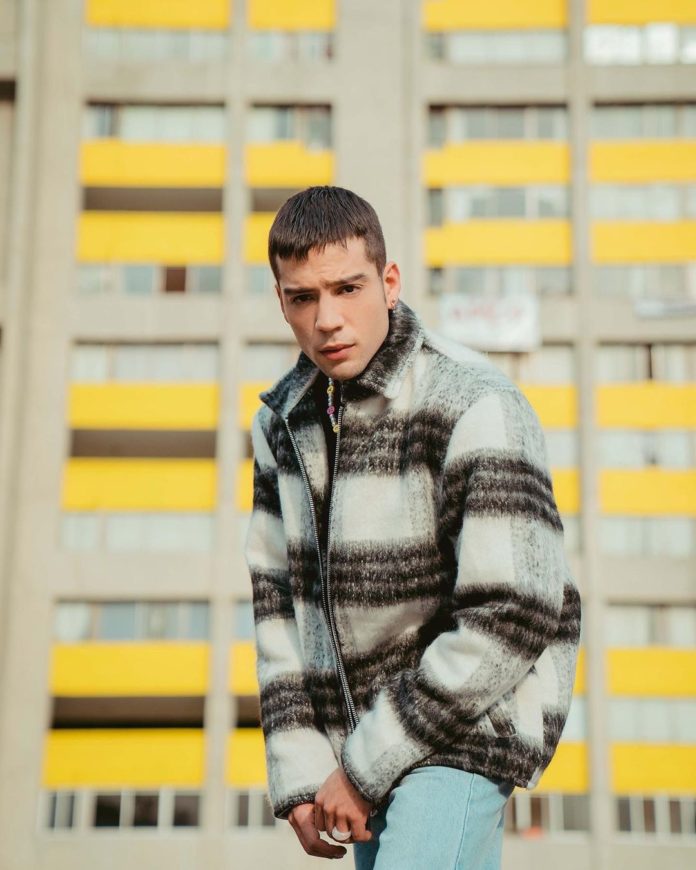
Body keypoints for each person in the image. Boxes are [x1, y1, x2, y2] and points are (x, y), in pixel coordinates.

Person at [245, 186, 580, 869]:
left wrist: (364, 765)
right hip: (363, 747)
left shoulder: (473, 399)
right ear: (281, 301)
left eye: (348, 288)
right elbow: (279, 608)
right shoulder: (283, 423)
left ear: (389, 282)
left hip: (469, 724)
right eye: (303, 298)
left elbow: (515, 610)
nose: (328, 319)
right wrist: (303, 773)